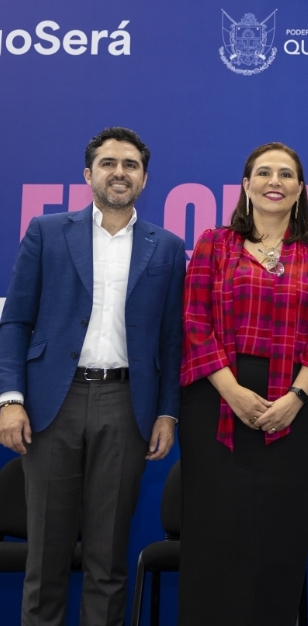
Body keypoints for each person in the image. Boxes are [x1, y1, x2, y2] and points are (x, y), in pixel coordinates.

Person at [0, 127, 185, 625]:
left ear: (144, 179)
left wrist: (167, 412)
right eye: (108, 163)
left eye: (130, 165)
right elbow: (15, 321)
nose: (119, 173)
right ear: (88, 174)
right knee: (46, 557)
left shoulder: (168, 247)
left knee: (108, 557)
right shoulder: (46, 232)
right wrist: (10, 399)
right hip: (50, 405)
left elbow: (172, 339)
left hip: (127, 406)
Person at [177, 142, 308, 625]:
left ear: (300, 189)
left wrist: (294, 398)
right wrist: (232, 392)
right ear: (246, 184)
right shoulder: (214, 244)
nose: (276, 181)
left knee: (280, 538)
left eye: (286, 174)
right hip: (216, 404)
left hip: (298, 411)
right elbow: (194, 323)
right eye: (265, 172)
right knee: (215, 536)